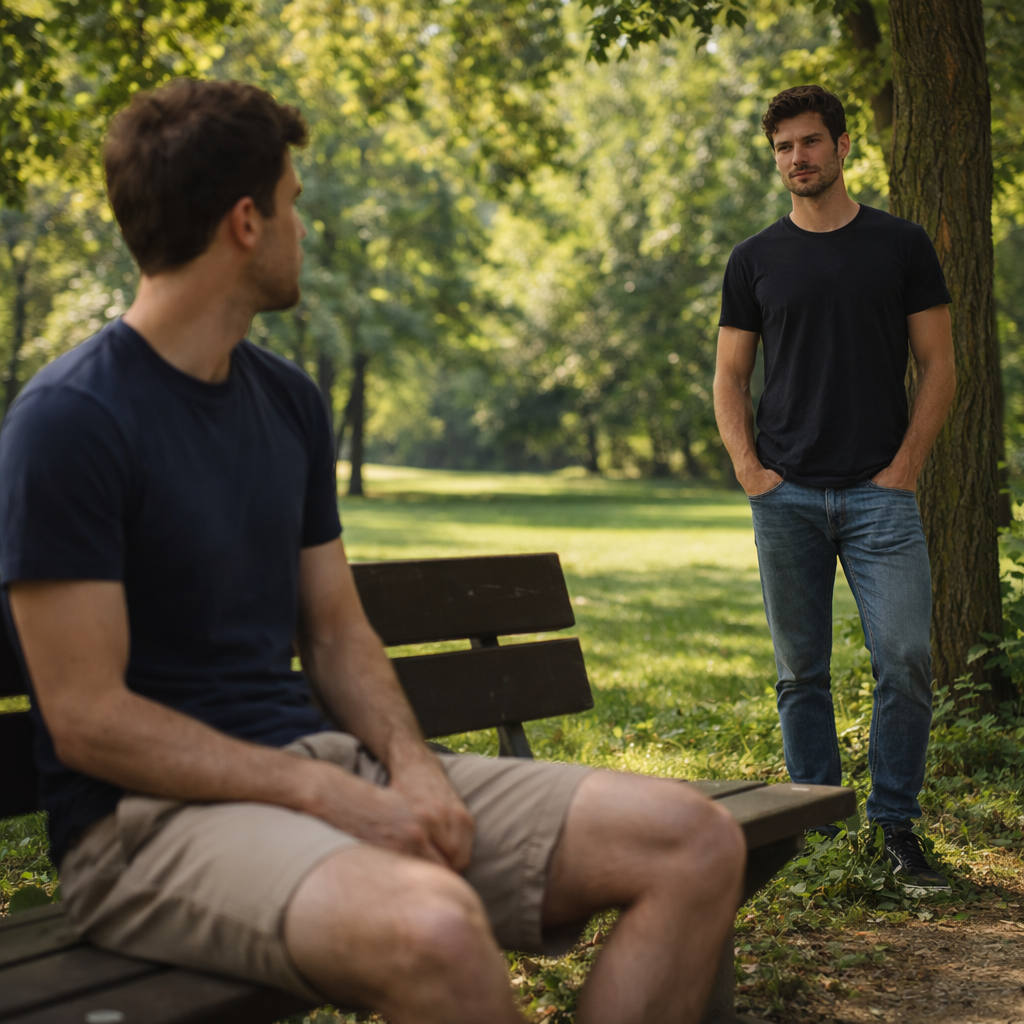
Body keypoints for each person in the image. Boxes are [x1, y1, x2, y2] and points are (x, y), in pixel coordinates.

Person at [0, 79, 745, 1024]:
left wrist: (414, 767)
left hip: (323, 768)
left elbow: (335, 629)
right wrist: (322, 792)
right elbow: (88, 720)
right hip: (144, 827)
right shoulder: (70, 422)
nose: (302, 227)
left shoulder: (288, 403)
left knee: (695, 842)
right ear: (245, 222)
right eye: (293, 202)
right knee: (434, 928)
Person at [713, 85, 956, 894]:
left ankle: (895, 828)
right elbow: (730, 377)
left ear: (843, 146)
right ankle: (816, 828)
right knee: (800, 674)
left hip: (881, 494)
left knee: (906, 660)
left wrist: (906, 467)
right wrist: (751, 472)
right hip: (785, 496)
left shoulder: (901, 245)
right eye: (783, 146)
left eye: (810, 141)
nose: (797, 158)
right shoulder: (754, 258)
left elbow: (940, 366)